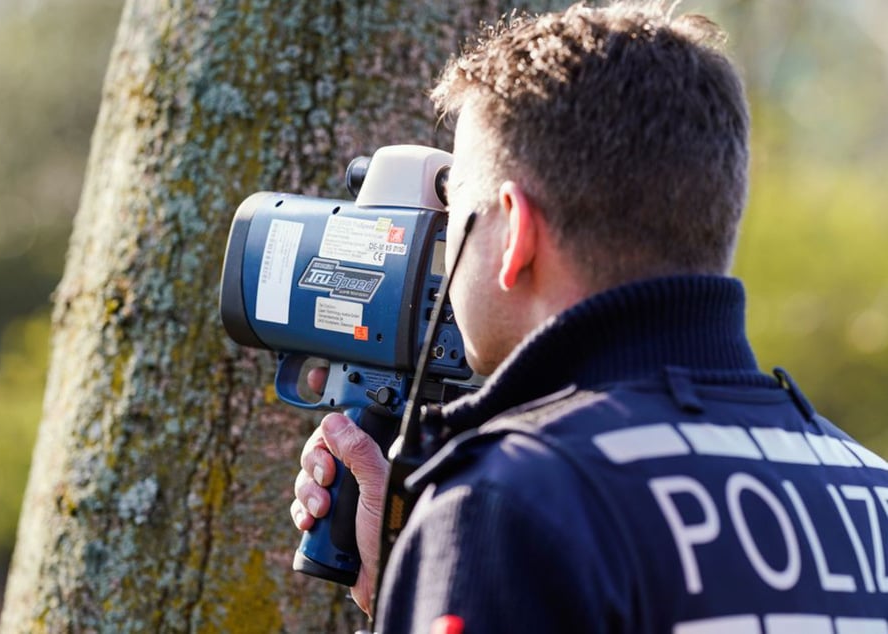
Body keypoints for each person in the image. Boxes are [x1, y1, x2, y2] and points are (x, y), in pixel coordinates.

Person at [291, 2, 888, 632]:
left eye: (458, 213)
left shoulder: (511, 506)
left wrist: (448, 563)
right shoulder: (872, 491)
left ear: (516, 231)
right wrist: (415, 580)